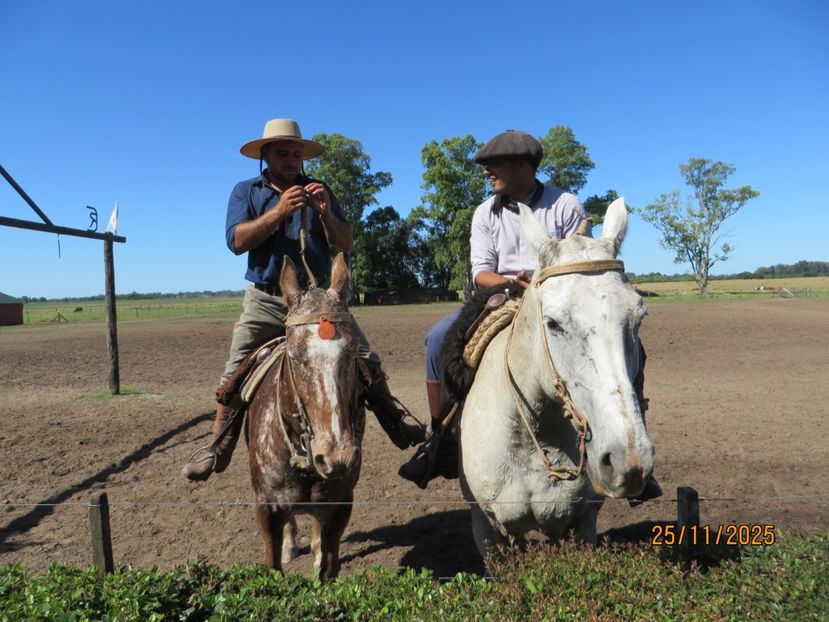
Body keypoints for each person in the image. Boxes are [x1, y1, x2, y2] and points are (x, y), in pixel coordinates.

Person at [399, 130, 662, 504]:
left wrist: (542, 283)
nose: (487, 171)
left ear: (524, 165)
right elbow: (480, 272)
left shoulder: (564, 204)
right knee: (438, 338)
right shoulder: (484, 213)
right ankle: (440, 438)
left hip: (558, 299)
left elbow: (580, 255)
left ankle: (632, 444)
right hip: (501, 295)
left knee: (631, 346)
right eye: (485, 165)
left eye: (494, 164)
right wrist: (512, 281)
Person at [183, 118, 424, 481]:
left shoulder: (320, 189)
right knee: (235, 369)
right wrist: (278, 212)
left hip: (319, 304)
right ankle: (217, 445)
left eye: (296, 154)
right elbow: (236, 242)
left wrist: (326, 213)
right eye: (283, 154)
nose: (292, 160)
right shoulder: (246, 192)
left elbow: (345, 242)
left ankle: (396, 424)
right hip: (266, 300)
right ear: (265, 156)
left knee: (364, 358)